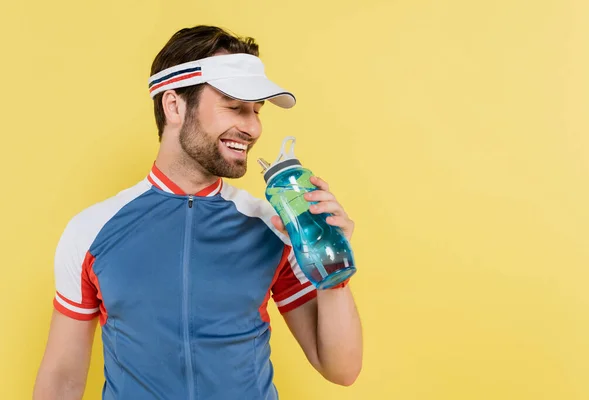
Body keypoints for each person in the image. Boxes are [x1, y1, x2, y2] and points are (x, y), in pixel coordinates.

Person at [33, 25, 363, 400]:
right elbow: (62, 379)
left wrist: (333, 262)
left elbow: (342, 368)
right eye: (234, 106)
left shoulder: (271, 228)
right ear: (174, 105)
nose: (253, 127)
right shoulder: (91, 231)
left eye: (257, 111)